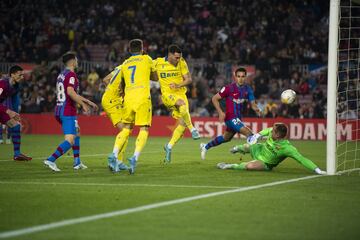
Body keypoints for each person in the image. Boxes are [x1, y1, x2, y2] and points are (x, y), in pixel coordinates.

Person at [44, 52, 98, 172]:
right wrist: (83, 104)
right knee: (70, 139)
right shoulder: (72, 75)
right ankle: (50, 160)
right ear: (73, 61)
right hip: (67, 111)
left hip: (59, 109)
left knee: (77, 132)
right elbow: (70, 92)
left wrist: (87, 102)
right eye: (77, 60)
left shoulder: (61, 75)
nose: (77, 62)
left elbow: (71, 93)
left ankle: (77, 162)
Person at [109, 39, 157, 174]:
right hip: (142, 97)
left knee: (126, 128)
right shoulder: (146, 59)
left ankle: (114, 153)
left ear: (129, 50)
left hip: (128, 98)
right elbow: (155, 77)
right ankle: (134, 157)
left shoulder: (124, 63)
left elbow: (121, 83)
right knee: (144, 128)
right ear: (142, 48)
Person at [200, 67, 262, 160]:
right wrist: (220, 112)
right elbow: (214, 98)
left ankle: (205, 146)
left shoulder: (248, 89)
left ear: (245, 77)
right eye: (238, 76)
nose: (240, 78)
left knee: (226, 138)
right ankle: (256, 158)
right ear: (235, 77)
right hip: (230, 117)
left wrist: (257, 109)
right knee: (250, 134)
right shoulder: (228, 88)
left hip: (238, 118)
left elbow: (253, 104)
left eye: (243, 76)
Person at [217, 123, 327, 175]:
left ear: (279, 135)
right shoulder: (272, 131)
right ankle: (237, 148)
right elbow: (266, 131)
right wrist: (258, 135)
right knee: (248, 145)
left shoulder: (287, 148)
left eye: (273, 131)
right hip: (259, 150)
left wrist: (317, 170)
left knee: (250, 166)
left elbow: (301, 159)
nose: (271, 131)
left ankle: (229, 165)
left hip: (265, 163)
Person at [153, 44, 200, 163]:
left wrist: (178, 85)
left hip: (181, 93)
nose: (178, 60)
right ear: (169, 55)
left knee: (183, 122)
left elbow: (189, 79)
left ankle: (169, 147)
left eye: (179, 57)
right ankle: (193, 129)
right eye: (176, 58)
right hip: (167, 95)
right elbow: (147, 71)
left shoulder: (182, 62)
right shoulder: (157, 62)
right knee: (181, 103)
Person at [0, 65, 32, 160]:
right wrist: (8, 111)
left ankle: (17, 154)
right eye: (19, 75)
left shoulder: (16, 86)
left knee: (16, 125)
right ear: (12, 75)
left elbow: (14, 101)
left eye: (22, 75)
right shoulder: (2, 84)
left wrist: (15, 113)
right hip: (2, 108)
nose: (22, 77)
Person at [101, 64, 129, 172]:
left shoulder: (120, 67)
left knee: (126, 130)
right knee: (124, 130)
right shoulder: (128, 70)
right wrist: (118, 91)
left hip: (110, 99)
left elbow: (105, 80)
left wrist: (111, 89)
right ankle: (114, 158)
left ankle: (119, 161)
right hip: (112, 102)